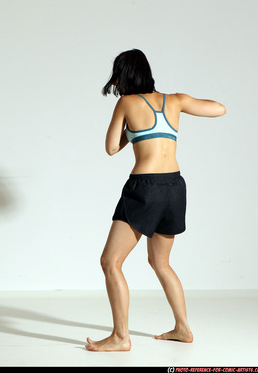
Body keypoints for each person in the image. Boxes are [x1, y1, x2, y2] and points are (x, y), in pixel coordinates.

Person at [85, 49, 226, 352]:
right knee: (161, 262)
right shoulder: (174, 100)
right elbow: (219, 109)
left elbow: (111, 148)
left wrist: (132, 131)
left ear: (123, 76)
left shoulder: (127, 103)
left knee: (111, 261)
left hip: (144, 188)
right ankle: (183, 329)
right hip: (175, 187)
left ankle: (120, 337)